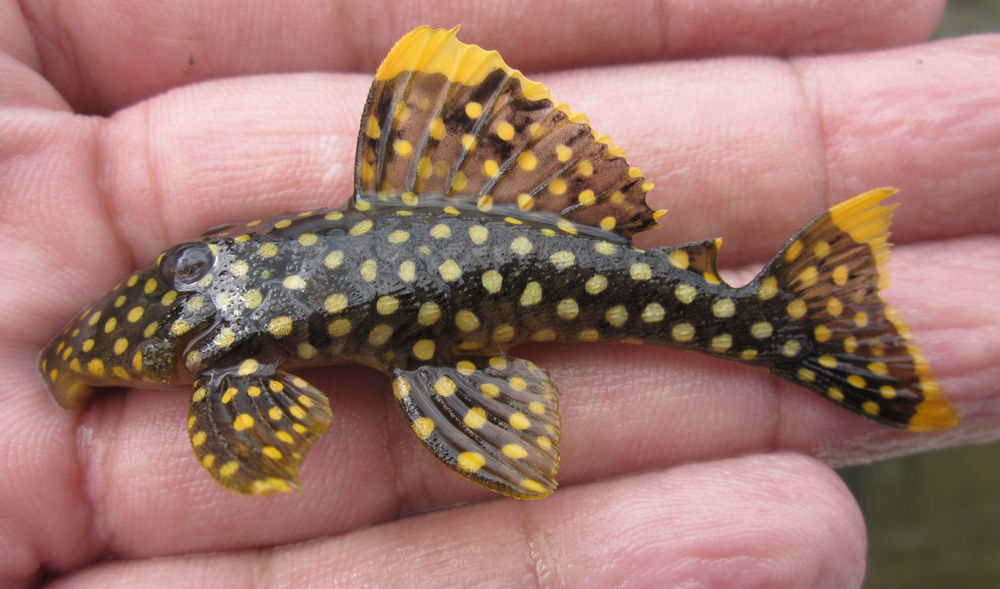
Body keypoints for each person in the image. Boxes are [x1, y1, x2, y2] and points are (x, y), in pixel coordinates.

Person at [1, 1, 996, 586]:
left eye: (188, 272)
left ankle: (796, 321)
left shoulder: (222, 336)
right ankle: (796, 320)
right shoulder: (214, 323)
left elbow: (257, 458)